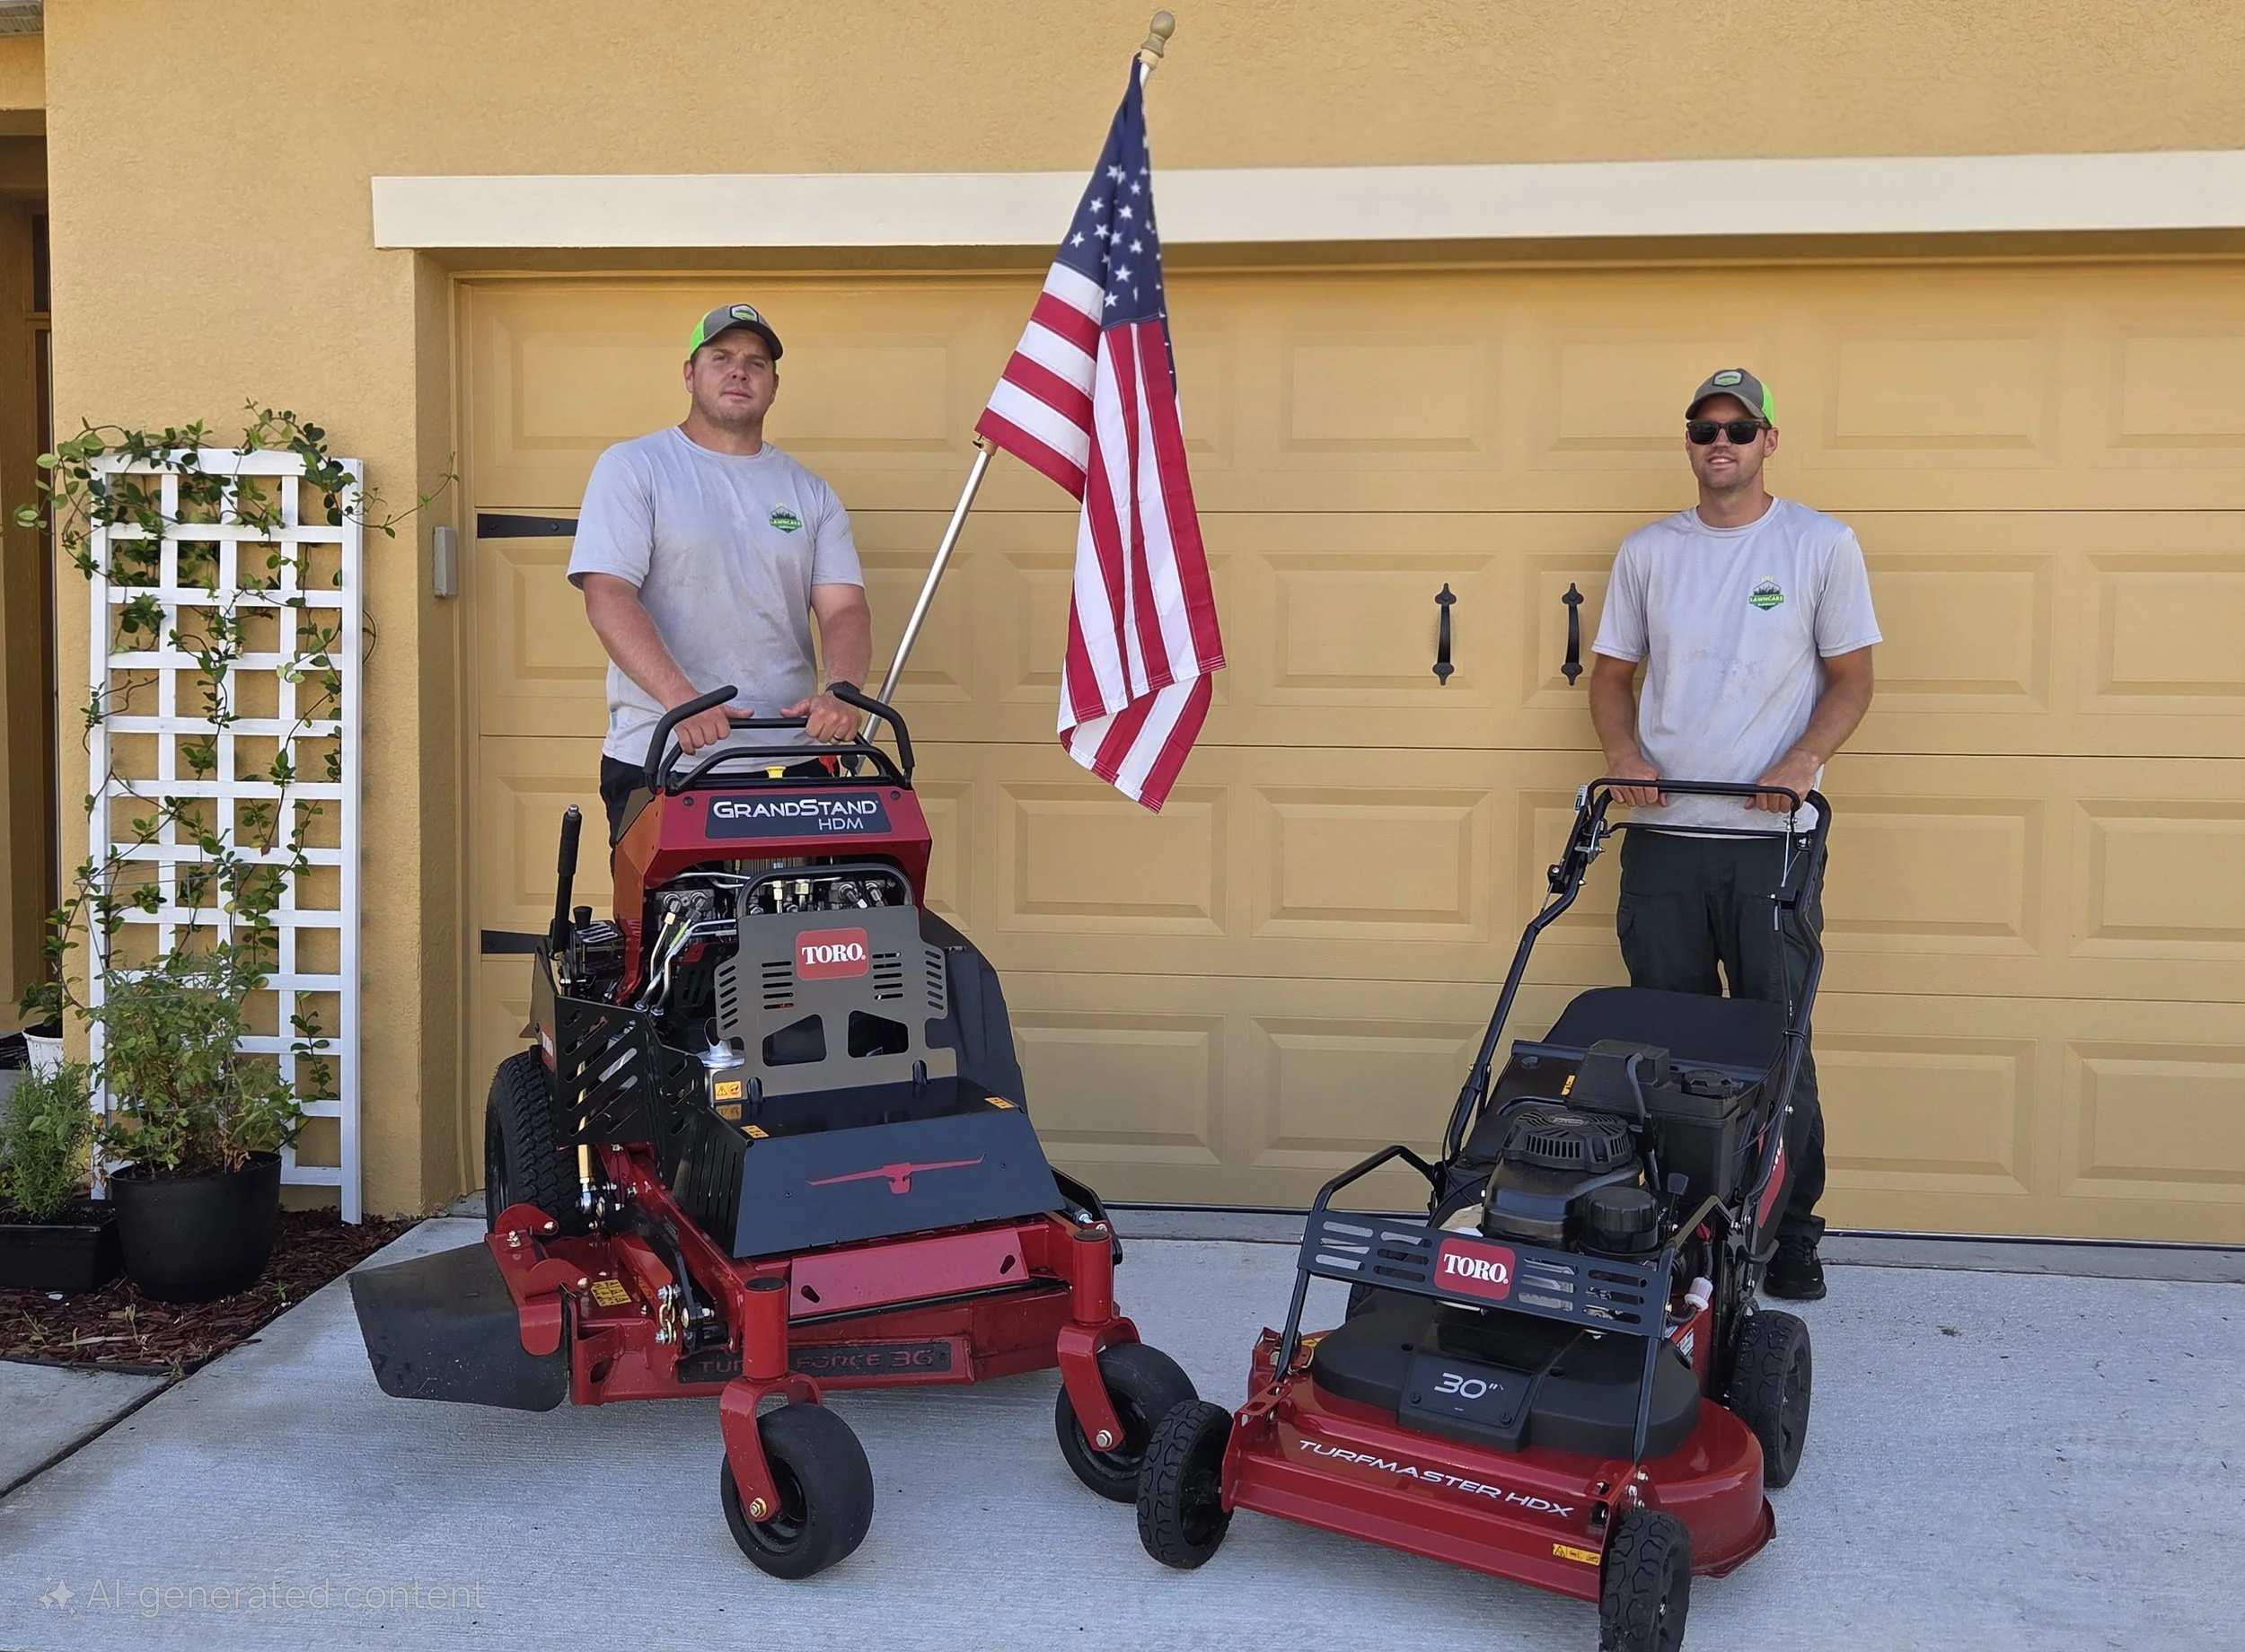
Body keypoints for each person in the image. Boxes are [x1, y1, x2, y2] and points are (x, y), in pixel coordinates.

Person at [1587, 368, 1880, 1302]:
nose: (1721, 443)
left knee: (1776, 1040)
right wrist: (1623, 749)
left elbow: (1851, 679)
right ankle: (1679, 1219)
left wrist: (1799, 764)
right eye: (1704, 428)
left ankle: (1789, 1230)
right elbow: (1608, 676)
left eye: (1738, 428)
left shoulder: (1818, 545)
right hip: (1669, 835)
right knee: (1664, 1039)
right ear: (1689, 442)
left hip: (1770, 842)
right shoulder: (1648, 553)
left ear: (1767, 441)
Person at [568, 302, 872, 842]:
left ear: (774, 386)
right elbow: (608, 595)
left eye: (756, 363)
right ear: (690, 373)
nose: (739, 371)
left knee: (798, 925)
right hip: (663, 756)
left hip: (788, 764)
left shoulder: (810, 492)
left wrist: (843, 693)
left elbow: (845, 608)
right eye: (721, 357)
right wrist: (681, 700)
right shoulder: (636, 468)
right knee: (670, 927)